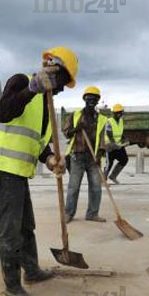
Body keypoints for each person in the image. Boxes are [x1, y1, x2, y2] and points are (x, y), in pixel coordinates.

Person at [0, 46, 76, 296]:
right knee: (11, 232)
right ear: (52, 68)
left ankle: (32, 271)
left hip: (20, 173)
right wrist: (32, 88)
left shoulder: (47, 105)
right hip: (3, 170)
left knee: (26, 227)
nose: (60, 89)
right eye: (62, 81)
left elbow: (38, 143)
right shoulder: (22, 81)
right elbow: (3, 112)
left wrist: (50, 160)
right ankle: (13, 286)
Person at [62, 86, 107, 223]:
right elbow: (65, 132)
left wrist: (100, 152)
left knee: (96, 188)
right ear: (84, 99)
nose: (91, 101)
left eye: (94, 99)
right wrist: (75, 129)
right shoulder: (76, 115)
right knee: (73, 187)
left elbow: (102, 138)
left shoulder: (101, 119)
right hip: (78, 156)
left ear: (98, 101)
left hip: (93, 158)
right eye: (89, 98)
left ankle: (92, 214)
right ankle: (69, 214)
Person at [104, 103, 128, 185]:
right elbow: (109, 133)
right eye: (117, 112)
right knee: (109, 163)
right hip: (110, 145)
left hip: (118, 145)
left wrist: (124, 139)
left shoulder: (121, 121)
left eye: (120, 112)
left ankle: (113, 176)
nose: (118, 114)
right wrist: (114, 143)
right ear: (113, 113)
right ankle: (104, 180)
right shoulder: (109, 121)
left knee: (124, 159)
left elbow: (120, 132)